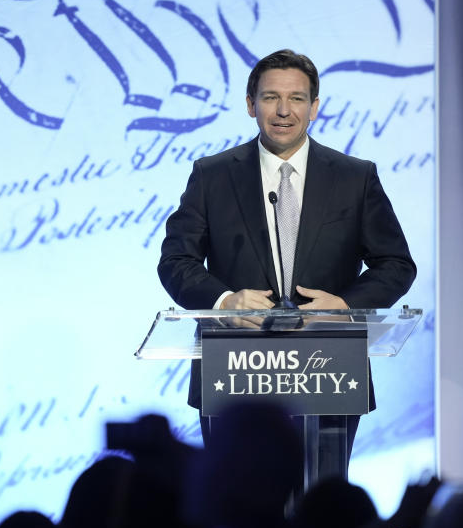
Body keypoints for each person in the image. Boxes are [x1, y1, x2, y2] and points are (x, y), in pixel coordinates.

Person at [157, 48, 416, 459]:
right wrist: (224, 301)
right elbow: (176, 260)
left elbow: (396, 264)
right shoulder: (213, 175)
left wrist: (346, 305)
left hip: (328, 366)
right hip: (236, 370)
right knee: (241, 512)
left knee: (320, 515)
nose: (283, 110)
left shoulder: (354, 176)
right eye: (270, 97)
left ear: (314, 107)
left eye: (296, 98)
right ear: (250, 104)